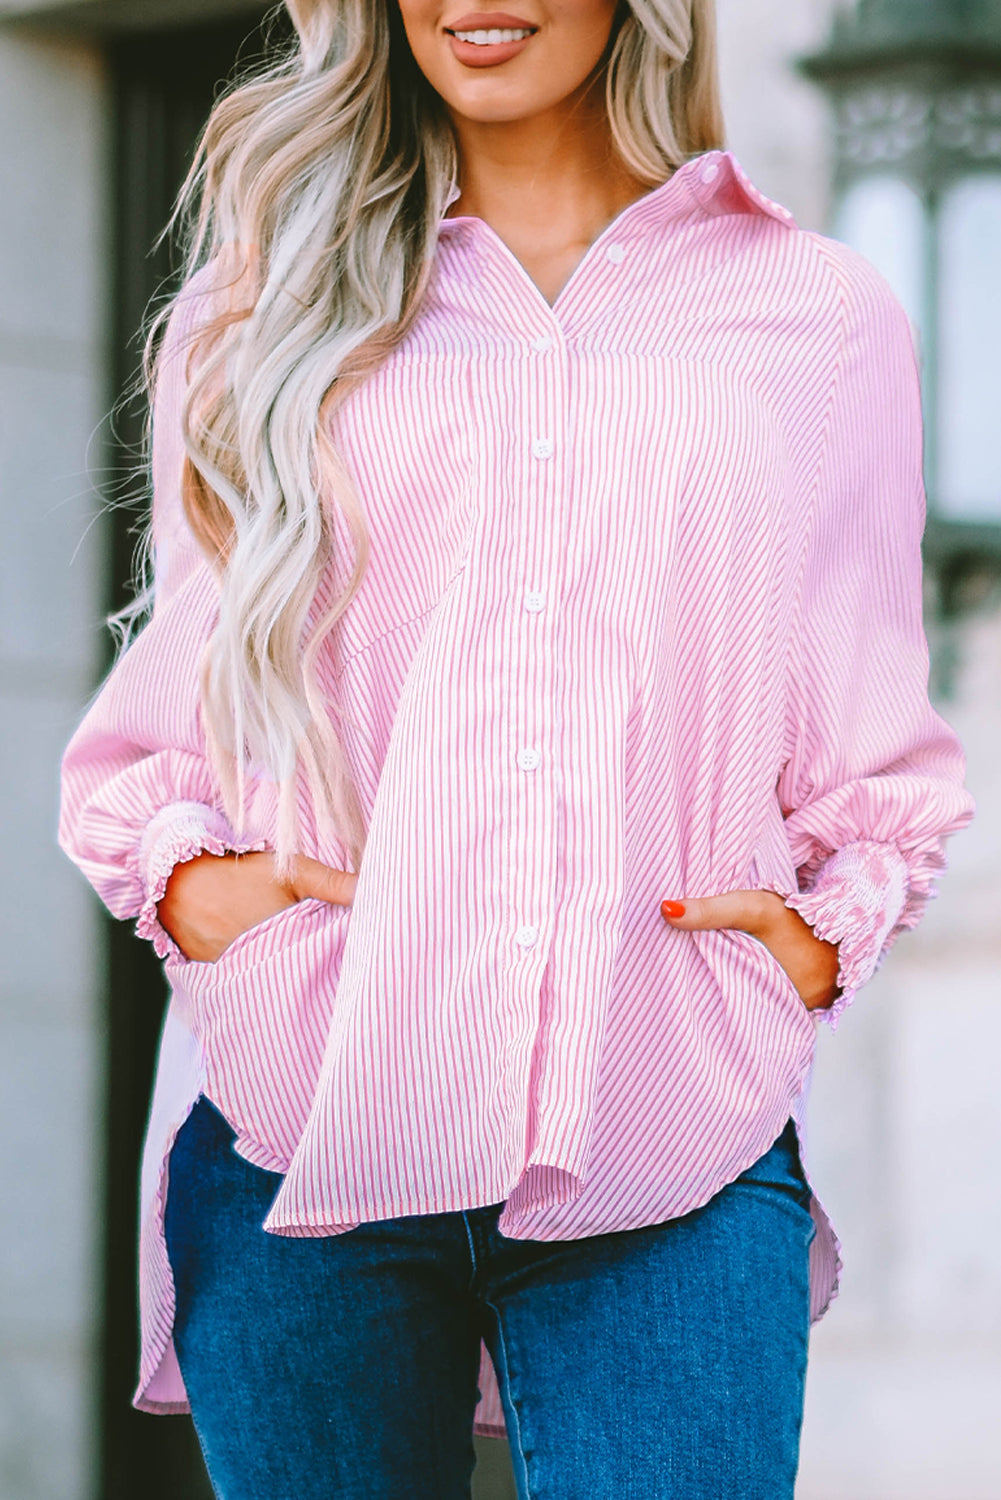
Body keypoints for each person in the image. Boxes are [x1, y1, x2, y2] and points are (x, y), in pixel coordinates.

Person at [59, 0, 974, 1494]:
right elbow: (170, 706)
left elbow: (870, 727)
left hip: (666, 1118)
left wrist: (814, 938)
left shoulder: (817, 316)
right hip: (310, 1110)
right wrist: (203, 896)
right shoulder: (257, 312)